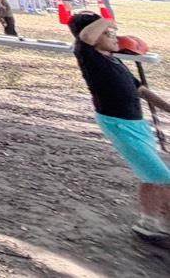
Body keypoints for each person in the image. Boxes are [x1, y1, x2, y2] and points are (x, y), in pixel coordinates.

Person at [68, 12, 170, 244]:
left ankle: (148, 223)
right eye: (107, 33)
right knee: (164, 178)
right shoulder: (88, 55)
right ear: (93, 36)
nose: (114, 37)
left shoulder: (113, 58)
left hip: (136, 125)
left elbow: (141, 90)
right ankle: (160, 225)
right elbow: (85, 36)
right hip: (118, 124)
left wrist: (168, 108)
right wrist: (106, 16)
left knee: (149, 176)